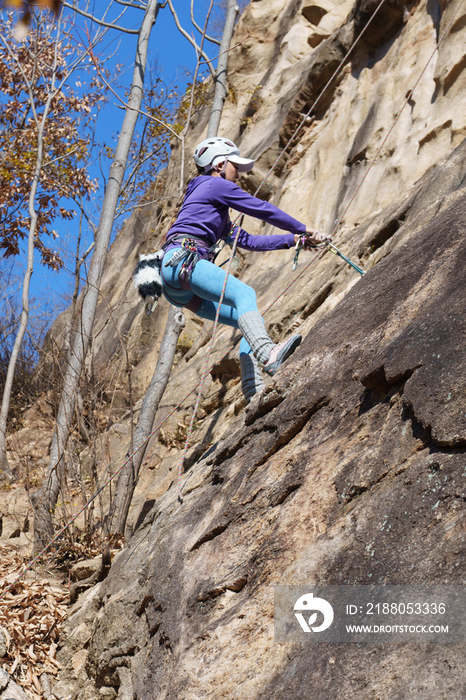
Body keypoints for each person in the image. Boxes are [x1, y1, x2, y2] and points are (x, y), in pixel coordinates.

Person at [159, 136, 326, 402]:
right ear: (220, 164)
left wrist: (294, 240)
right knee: (245, 294)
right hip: (185, 261)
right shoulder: (213, 184)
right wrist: (302, 227)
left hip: (175, 284)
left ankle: (252, 387)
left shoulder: (212, 206)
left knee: (244, 316)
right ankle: (269, 354)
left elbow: (250, 241)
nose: (238, 175)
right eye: (235, 166)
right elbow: (261, 209)